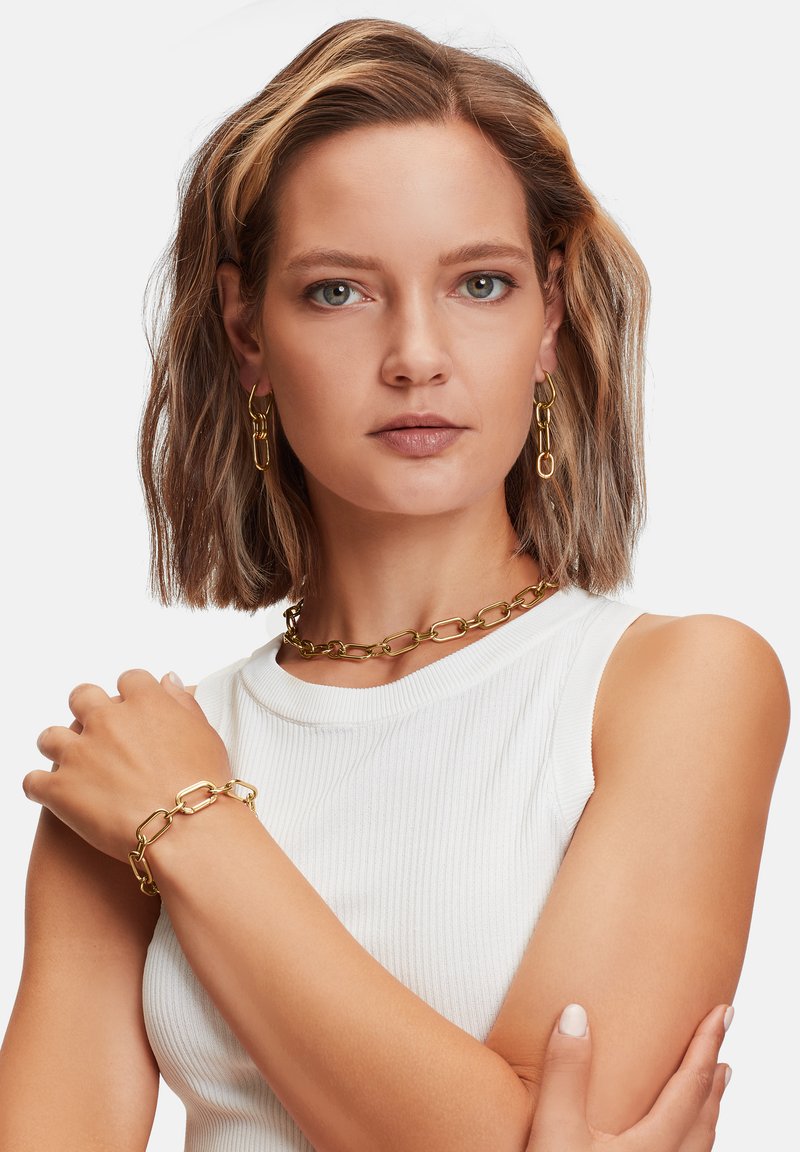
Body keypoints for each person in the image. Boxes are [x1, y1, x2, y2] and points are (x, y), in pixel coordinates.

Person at [0, 16, 788, 1151]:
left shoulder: (677, 685)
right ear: (246, 330)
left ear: (550, 316)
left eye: (480, 283)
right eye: (338, 292)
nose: (417, 355)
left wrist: (196, 827)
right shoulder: (130, 763)